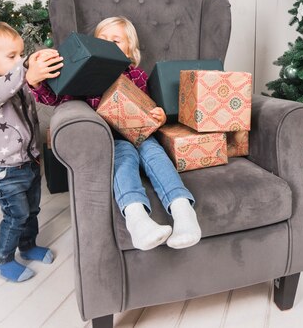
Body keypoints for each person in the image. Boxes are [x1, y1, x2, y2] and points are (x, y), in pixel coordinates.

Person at [30, 17, 202, 251]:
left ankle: (183, 211)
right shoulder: (85, 74)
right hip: (110, 139)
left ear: (130, 50)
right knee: (123, 156)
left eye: (116, 40)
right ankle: (138, 220)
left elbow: (149, 107)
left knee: (154, 152)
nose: (109, 44)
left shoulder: (137, 76)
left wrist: (159, 116)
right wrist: (36, 81)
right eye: (103, 40)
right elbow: (55, 98)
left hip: (140, 134)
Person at [0, 21, 63, 282]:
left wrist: (33, 64)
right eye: (12, 56)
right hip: (2, 170)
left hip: (28, 163)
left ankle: (28, 245)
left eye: (21, 54)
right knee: (16, 214)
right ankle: (4, 259)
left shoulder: (16, 81)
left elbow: (24, 84)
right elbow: (6, 88)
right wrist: (25, 71)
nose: (19, 60)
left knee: (31, 210)